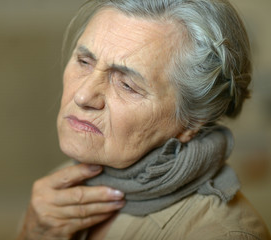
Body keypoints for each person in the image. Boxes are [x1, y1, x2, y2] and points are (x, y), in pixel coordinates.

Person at [17, 0, 271, 239]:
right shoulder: (62, 187)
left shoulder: (221, 234)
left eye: (127, 85)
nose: (83, 96)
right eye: (84, 61)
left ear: (192, 122)